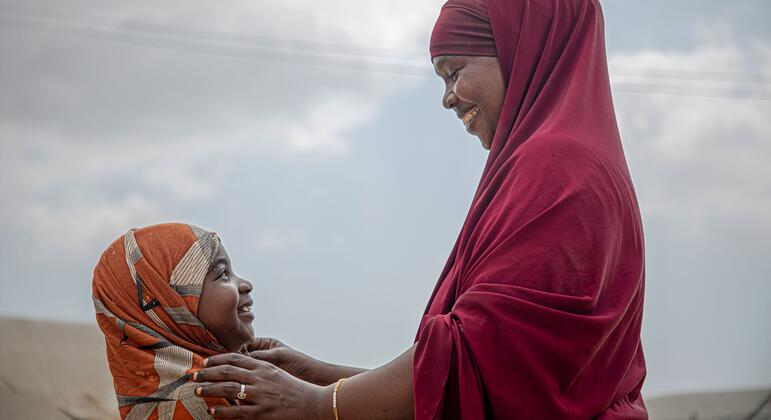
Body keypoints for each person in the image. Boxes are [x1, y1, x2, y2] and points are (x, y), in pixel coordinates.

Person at [192, 0, 648, 418]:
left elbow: (485, 351)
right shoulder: (572, 161)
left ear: (520, 51)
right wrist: (320, 375)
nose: (448, 97)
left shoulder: (557, 166)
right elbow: (476, 373)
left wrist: (314, 404)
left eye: (455, 71)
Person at [92, 223, 256, 419]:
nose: (246, 285)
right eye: (222, 274)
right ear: (165, 302)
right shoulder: (202, 404)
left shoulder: (235, 387)